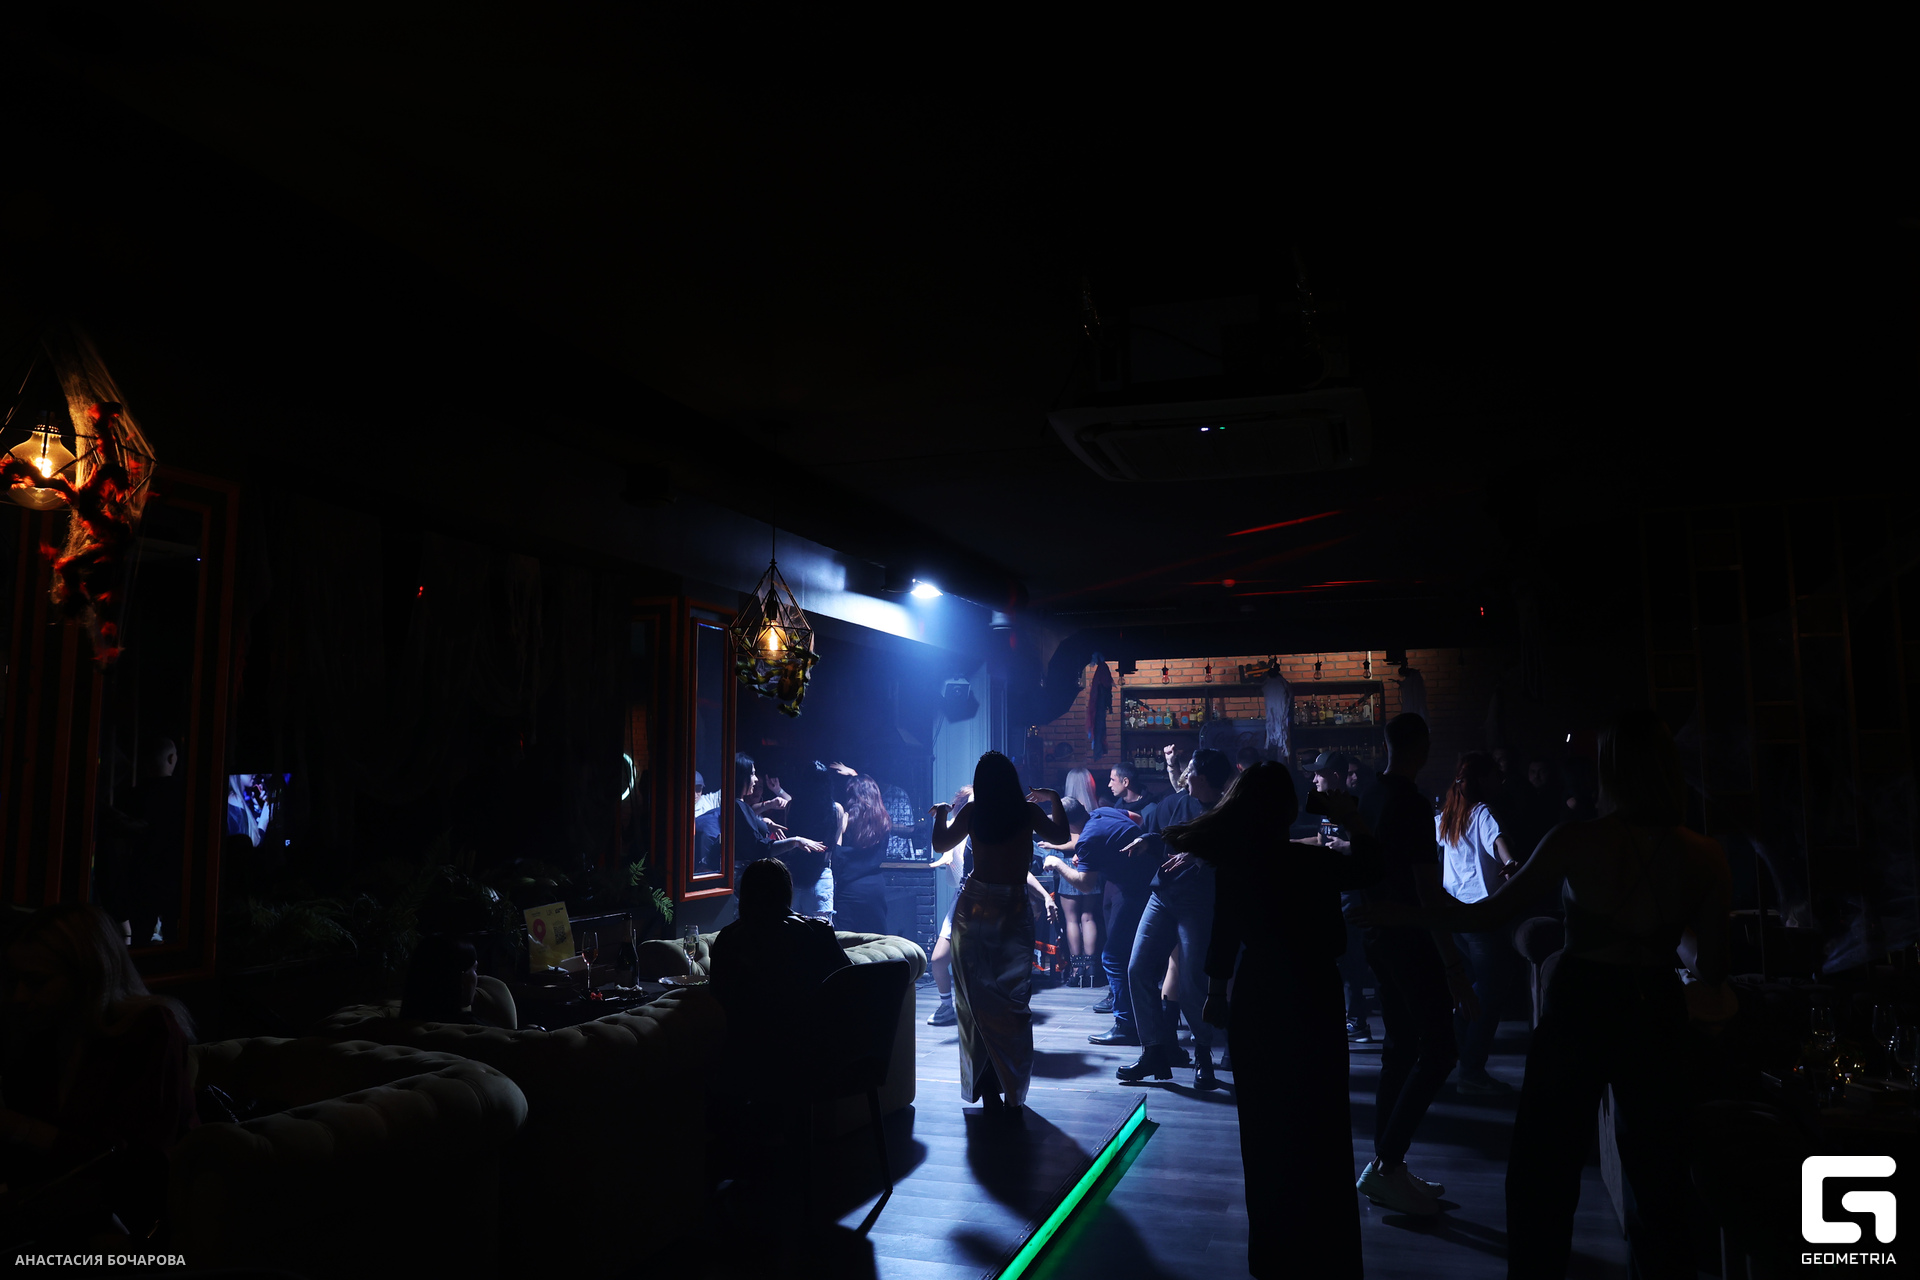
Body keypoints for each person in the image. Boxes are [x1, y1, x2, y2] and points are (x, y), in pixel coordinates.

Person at [1355, 710, 1734, 1279]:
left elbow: (1487, 914)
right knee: (1659, 1172)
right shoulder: (1705, 854)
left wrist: (1401, 913)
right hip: (1655, 1006)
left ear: (1608, 769)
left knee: (1544, 1169)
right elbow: (1712, 967)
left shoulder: (1576, 839)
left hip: (1581, 1002)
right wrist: (1662, 926)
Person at [1171, 761, 1379, 1280]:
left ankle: (1271, 1253)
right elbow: (1372, 868)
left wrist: (1216, 994)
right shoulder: (1315, 863)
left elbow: (1223, 936)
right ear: (1289, 810)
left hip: (1259, 993)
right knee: (1321, 1124)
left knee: (1264, 1130)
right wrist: (1352, 818)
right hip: (1313, 991)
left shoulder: (1237, 867)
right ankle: (1327, 1253)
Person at [1, 904, 197, 1243]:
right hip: (53, 1221)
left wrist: (19, 1128)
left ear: (89, 975)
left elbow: (140, 1167)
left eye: (36, 981)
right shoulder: (40, 1035)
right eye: (12, 980)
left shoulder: (150, 1030)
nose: (18, 996)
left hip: (137, 1228)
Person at [1351, 713, 1476, 1217]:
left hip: (1379, 937)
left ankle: (1389, 1168)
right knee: (1440, 1049)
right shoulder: (1413, 802)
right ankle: (1387, 1164)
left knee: (1399, 1049)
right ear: (1422, 748)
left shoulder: (1370, 796)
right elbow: (1426, 890)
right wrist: (1453, 965)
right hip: (1410, 936)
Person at [929, 753, 1067, 1115]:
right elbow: (1062, 835)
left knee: (974, 999)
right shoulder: (1028, 812)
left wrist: (942, 813)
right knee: (1013, 1000)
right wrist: (1054, 799)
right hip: (1013, 908)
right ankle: (1013, 1090)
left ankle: (986, 1086)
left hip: (974, 907)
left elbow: (940, 844)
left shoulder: (974, 812)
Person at [1119, 748, 1231, 1088]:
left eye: (1191, 770)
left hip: (1199, 904)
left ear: (1204, 777)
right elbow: (1160, 837)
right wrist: (1145, 840)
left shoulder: (1227, 811)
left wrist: (1197, 856)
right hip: (1163, 897)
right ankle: (1154, 1050)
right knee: (1137, 968)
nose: (1185, 775)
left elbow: (1233, 853)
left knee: (1192, 982)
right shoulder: (1173, 802)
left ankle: (1203, 1055)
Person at [710, 857, 852, 1072]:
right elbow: (848, 980)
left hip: (743, 1053)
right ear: (787, 891)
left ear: (744, 893)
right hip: (808, 1051)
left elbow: (718, 996)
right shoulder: (817, 931)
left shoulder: (728, 937)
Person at [1435, 752, 1521, 1095]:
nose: (1500, 781)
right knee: (1489, 993)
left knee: (1472, 989)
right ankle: (1471, 1070)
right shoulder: (1483, 812)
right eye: (1496, 775)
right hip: (1480, 915)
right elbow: (1499, 843)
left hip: (1453, 914)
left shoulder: (1449, 815)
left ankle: (1455, 1053)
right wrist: (1512, 864)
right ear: (1483, 780)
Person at [1071, 798, 1160, 1045]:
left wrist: (1057, 864)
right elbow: (1137, 819)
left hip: (1137, 891)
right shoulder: (1103, 812)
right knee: (1135, 958)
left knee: (1113, 957)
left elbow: (1085, 885)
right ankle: (1142, 1021)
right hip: (1149, 883)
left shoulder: (1087, 838)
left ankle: (1126, 1025)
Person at [730, 754, 829, 896]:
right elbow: (760, 848)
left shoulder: (740, 806)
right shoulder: (738, 806)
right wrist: (796, 841)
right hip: (742, 882)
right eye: (752, 774)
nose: (755, 779)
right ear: (741, 777)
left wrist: (764, 823)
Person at [1040, 796, 1103, 987]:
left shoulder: (1070, 821)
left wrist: (1052, 846)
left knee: (1072, 920)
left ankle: (1077, 970)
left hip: (1069, 865)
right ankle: (1091, 969)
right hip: (1091, 865)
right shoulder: (1088, 816)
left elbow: (1075, 842)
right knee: (1088, 917)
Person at [400, 934, 510, 1026]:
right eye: (474, 969)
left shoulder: (396, 1030)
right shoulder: (478, 1033)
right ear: (461, 978)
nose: (477, 977)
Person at [832, 773, 893, 934]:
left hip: (850, 887)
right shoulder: (883, 821)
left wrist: (839, 830)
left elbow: (837, 857)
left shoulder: (846, 820)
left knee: (845, 938)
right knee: (875, 937)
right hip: (875, 886)